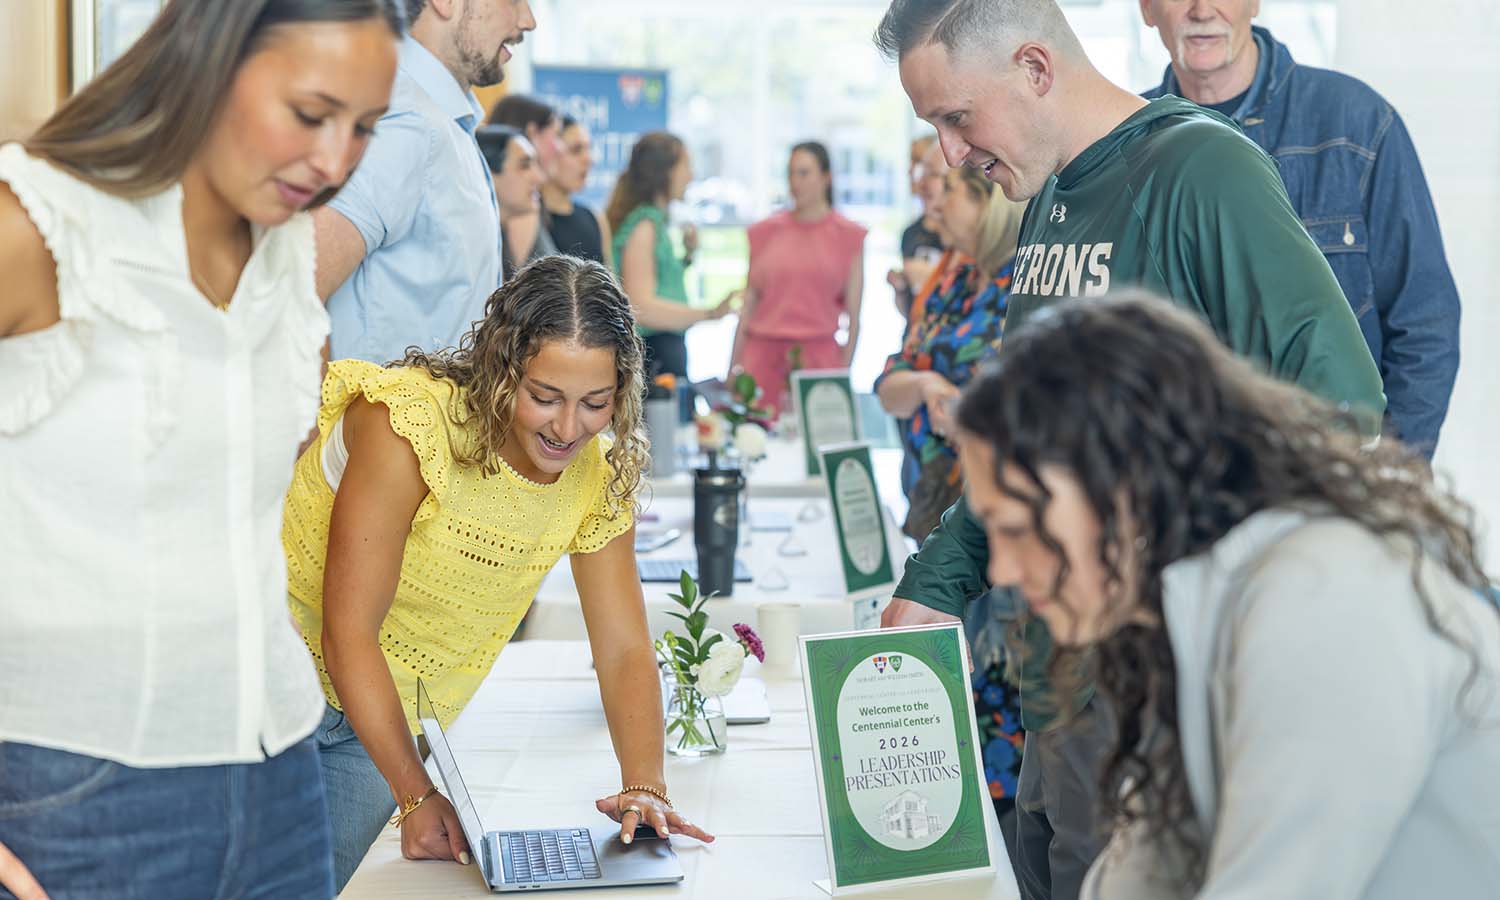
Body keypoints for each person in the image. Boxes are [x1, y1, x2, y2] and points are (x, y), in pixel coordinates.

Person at [873, 2, 1386, 898]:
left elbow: (1341, 405)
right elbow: (1022, 450)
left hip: (1155, 711)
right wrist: (940, 579)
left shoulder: (1201, 168)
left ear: (1035, 68)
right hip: (1056, 695)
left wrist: (1160, 564)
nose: (952, 153)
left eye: (956, 118)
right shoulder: (1050, 195)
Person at [0, 1, 400, 898]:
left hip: (281, 783)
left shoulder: (288, 255)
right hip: (70, 799)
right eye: (310, 114)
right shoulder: (36, 220)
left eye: (365, 128)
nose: (336, 162)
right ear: (209, 62)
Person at [952, 293, 1500, 900]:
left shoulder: (1324, 597)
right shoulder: (1190, 605)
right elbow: (1147, 869)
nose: (1002, 569)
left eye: (1017, 526)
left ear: (1120, 483)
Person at [281, 255, 715, 890]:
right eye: (545, 398)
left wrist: (644, 784)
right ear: (502, 369)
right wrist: (414, 792)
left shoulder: (595, 472)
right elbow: (349, 633)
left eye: (596, 402)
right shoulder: (410, 426)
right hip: (272, 678)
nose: (569, 428)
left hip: (380, 717)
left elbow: (623, 647)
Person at [1141, 2, 1461, 458]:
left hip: (1329, 477)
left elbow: (1425, 322)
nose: (1200, 8)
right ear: (1146, 9)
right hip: (1185, 488)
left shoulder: (1357, 123)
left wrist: (1387, 482)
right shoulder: (1127, 146)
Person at [315, 0, 535, 364]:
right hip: (382, 419)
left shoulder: (439, 121)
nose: (528, 21)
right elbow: (295, 290)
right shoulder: (408, 122)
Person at [876, 163, 1023, 543]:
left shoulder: (1027, 289)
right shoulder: (953, 280)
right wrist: (926, 384)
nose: (936, 206)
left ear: (987, 201)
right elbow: (890, 383)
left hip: (993, 510)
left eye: (950, 190)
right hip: (930, 492)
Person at [730, 141, 866, 413]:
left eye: (804, 173)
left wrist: (841, 372)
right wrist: (733, 367)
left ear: (826, 178)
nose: (795, 182)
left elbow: (854, 318)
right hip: (762, 359)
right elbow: (749, 306)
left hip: (820, 361)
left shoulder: (849, 236)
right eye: (791, 173)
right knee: (756, 444)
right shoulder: (764, 233)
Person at [607, 131, 736, 389]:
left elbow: (658, 285)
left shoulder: (654, 223)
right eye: (685, 165)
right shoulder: (644, 226)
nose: (691, 175)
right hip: (656, 358)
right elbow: (641, 307)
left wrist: (687, 257)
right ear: (663, 172)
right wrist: (709, 313)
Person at [476, 124, 555, 279]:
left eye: (535, 164)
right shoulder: (469, 246)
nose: (539, 178)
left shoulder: (497, 238)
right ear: (488, 174)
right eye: (524, 165)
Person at [888, 134, 946, 318]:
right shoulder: (911, 232)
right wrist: (901, 288)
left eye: (919, 163)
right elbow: (909, 312)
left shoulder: (962, 235)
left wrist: (933, 277)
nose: (912, 172)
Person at [544, 115, 613, 265]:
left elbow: (610, 284)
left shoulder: (595, 219)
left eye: (589, 149)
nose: (588, 159)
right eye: (576, 150)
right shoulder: (528, 221)